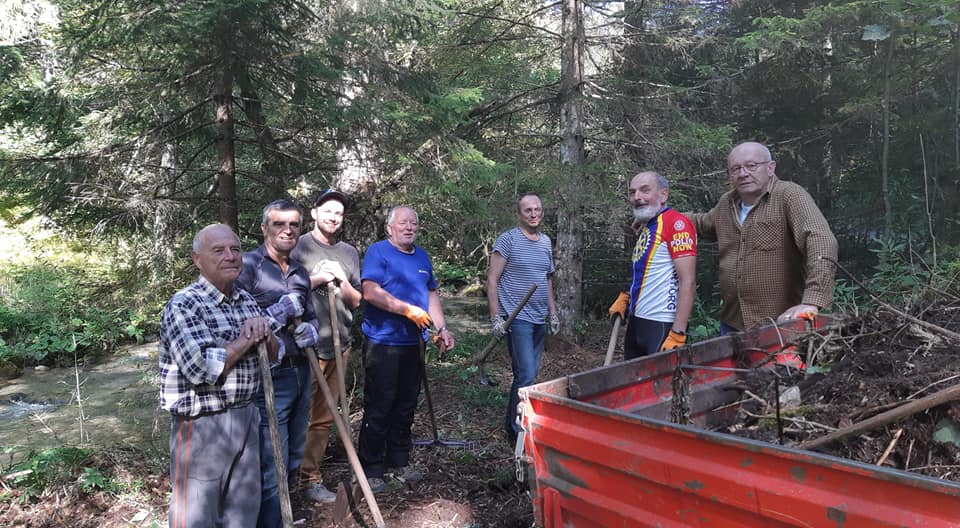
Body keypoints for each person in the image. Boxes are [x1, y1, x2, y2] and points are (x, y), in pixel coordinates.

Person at [159, 224, 280, 528]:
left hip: (247, 416)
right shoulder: (185, 304)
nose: (231, 256)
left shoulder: (246, 300)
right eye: (219, 250)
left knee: (243, 510)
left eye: (235, 249)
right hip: (203, 424)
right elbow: (201, 368)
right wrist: (248, 338)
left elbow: (273, 357)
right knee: (197, 514)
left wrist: (266, 335)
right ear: (197, 259)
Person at [688, 141, 838, 333]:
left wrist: (812, 301)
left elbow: (820, 240)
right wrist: (660, 217)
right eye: (735, 169)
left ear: (770, 167)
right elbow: (701, 224)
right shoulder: (727, 203)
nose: (743, 173)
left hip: (783, 325)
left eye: (751, 166)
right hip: (733, 324)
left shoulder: (789, 195)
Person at [358, 206, 456, 493]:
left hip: (414, 343)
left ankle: (398, 462)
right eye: (403, 223)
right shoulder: (378, 252)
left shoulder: (422, 257)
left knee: (406, 405)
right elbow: (370, 292)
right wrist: (406, 310)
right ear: (390, 227)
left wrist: (441, 329)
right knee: (380, 405)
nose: (409, 227)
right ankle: (371, 468)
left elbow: (431, 294)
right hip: (383, 342)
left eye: (414, 223)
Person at [236, 200, 320, 528]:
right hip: (269, 377)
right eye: (279, 224)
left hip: (301, 370)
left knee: (295, 451)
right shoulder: (247, 266)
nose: (288, 230)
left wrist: (311, 329)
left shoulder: (299, 271)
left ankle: (285, 514)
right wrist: (276, 314)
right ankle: (272, 521)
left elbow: (310, 315)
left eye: (294, 225)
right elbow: (237, 325)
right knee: (273, 458)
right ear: (264, 228)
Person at [291, 189, 362, 504]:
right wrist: (317, 278)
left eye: (339, 213)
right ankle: (285, 477)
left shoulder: (349, 252)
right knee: (295, 414)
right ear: (314, 213)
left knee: (323, 417)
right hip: (305, 347)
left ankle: (310, 478)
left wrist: (342, 280)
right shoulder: (297, 246)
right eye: (328, 211)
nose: (334, 217)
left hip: (339, 343)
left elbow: (356, 300)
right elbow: (286, 290)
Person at [487, 192, 558, 443]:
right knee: (526, 373)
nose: (533, 214)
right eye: (528, 210)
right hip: (517, 318)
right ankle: (516, 430)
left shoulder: (546, 242)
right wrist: (496, 317)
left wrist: (553, 312)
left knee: (529, 375)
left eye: (537, 209)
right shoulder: (508, 240)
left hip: (539, 318)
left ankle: (517, 421)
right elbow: (492, 279)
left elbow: (546, 280)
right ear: (519, 214)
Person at [608, 172, 697, 360]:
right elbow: (648, 271)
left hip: (661, 324)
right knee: (631, 377)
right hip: (636, 322)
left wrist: (678, 332)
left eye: (644, 190)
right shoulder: (649, 225)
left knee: (660, 380)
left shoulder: (677, 224)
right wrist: (628, 297)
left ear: (664, 195)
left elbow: (688, 281)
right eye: (632, 192)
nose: (637, 197)